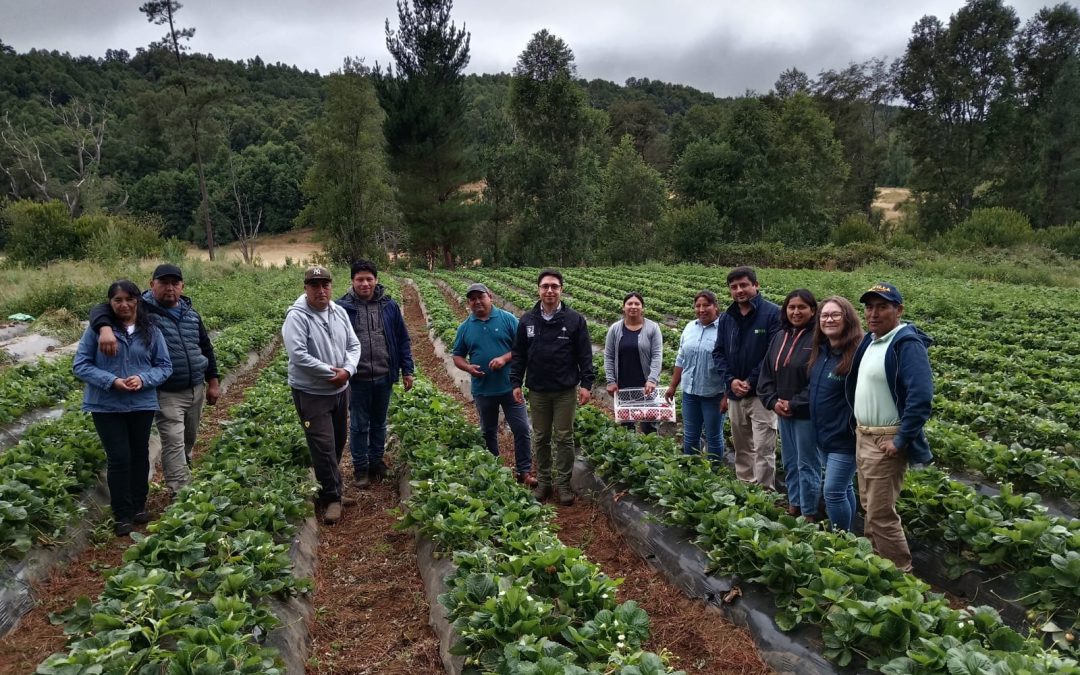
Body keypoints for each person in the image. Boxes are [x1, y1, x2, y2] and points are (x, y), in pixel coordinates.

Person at [90, 263, 220, 495]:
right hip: (166, 391)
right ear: (152, 285)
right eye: (164, 283)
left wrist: (213, 381)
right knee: (173, 439)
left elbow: (206, 347)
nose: (170, 288)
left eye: (175, 283)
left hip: (195, 387)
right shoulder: (142, 310)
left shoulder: (190, 313)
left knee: (188, 438)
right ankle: (181, 492)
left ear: (182, 286)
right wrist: (105, 329)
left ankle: (183, 467)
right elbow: (103, 308)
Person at [846, 282, 934, 572]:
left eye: (882, 306)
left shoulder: (906, 344)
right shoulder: (871, 340)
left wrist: (900, 440)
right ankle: (877, 562)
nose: (873, 313)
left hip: (886, 439)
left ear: (899, 310)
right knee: (869, 506)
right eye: (869, 307)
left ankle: (900, 574)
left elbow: (920, 397)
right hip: (864, 434)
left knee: (881, 511)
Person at [74, 281, 172, 536]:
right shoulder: (97, 331)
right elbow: (81, 365)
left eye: (129, 299)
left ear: (137, 300)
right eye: (118, 300)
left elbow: (164, 365)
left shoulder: (150, 330)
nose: (124, 305)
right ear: (110, 303)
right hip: (106, 406)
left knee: (139, 454)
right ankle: (122, 514)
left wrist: (143, 379)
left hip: (141, 403)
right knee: (118, 458)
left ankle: (139, 506)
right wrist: (111, 381)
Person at [283, 266, 362, 525]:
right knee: (323, 446)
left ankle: (332, 487)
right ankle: (331, 498)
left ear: (331, 285)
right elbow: (298, 355)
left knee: (338, 442)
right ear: (306, 288)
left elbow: (353, 344)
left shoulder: (338, 312)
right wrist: (331, 372)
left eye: (325, 284)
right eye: (314, 285)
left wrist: (348, 370)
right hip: (312, 393)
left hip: (340, 390)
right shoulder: (297, 317)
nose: (321, 290)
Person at [510, 268, 594, 506]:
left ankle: (564, 484)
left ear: (561, 290)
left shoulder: (574, 320)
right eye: (545, 286)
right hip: (538, 390)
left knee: (565, 437)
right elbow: (519, 355)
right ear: (538, 289)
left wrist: (586, 383)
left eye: (554, 286)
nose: (549, 291)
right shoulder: (527, 320)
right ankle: (545, 481)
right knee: (541, 436)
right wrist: (515, 381)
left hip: (565, 390)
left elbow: (585, 355)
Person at [337, 260, 414, 489]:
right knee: (359, 425)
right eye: (360, 279)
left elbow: (402, 339)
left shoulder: (389, 306)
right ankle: (361, 468)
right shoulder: (341, 308)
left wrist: (407, 369)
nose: (365, 283)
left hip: (383, 375)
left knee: (379, 423)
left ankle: (376, 462)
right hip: (356, 378)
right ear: (352, 281)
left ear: (376, 280)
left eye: (369, 279)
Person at [452, 283, 534, 486]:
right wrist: (469, 368)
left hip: (510, 387)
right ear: (469, 303)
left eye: (481, 297)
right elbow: (457, 356)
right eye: (473, 299)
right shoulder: (465, 327)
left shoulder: (507, 319)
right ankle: (495, 470)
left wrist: (504, 359)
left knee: (522, 428)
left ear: (490, 297)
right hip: (483, 390)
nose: (477, 302)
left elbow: (522, 347)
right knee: (488, 431)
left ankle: (524, 471)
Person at [712, 266, 781, 488]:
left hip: (762, 395)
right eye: (734, 287)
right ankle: (745, 488)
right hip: (735, 394)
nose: (739, 290)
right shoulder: (727, 318)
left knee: (763, 447)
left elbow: (773, 355)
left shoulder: (772, 314)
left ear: (756, 285)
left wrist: (750, 381)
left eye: (744, 285)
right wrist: (731, 380)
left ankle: (764, 493)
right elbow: (719, 352)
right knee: (742, 446)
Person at [758, 289, 818, 518]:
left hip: (805, 414)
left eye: (801, 307)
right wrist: (773, 402)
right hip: (783, 412)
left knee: (808, 464)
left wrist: (794, 403)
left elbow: (818, 381)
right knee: (791, 462)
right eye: (791, 307)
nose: (796, 312)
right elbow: (766, 374)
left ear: (813, 310)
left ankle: (810, 513)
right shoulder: (780, 336)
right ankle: (794, 505)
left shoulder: (818, 340)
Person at [808, 296, 861, 532]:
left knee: (832, 492)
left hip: (844, 437)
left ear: (847, 319)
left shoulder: (857, 354)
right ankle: (848, 534)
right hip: (824, 435)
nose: (829, 319)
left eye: (835, 315)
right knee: (843, 488)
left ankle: (840, 539)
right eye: (824, 315)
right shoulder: (822, 352)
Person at [666, 290, 727, 463]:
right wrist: (672, 386)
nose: (702, 309)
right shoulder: (690, 327)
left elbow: (732, 365)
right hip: (690, 393)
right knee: (690, 434)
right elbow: (681, 358)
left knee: (713, 436)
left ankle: (713, 473)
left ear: (715, 306)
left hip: (713, 395)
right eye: (698, 305)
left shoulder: (724, 330)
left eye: (706, 305)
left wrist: (727, 396)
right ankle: (691, 469)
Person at [604, 292, 663, 434]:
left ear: (642, 308)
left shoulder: (652, 328)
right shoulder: (615, 329)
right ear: (623, 307)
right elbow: (609, 356)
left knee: (649, 426)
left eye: (637, 304)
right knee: (626, 427)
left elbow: (657, 355)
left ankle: (652, 453)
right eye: (629, 303)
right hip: (623, 385)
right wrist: (611, 380)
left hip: (646, 386)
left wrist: (652, 379)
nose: (633, 306)